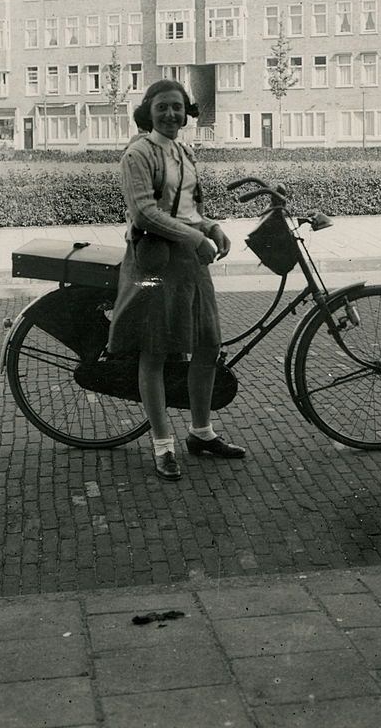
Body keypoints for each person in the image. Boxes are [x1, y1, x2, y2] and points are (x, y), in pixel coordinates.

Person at [107, 79, 245, 481]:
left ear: (187, 114)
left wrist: (212, 227)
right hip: (155, 261)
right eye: (163, 107)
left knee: (207, 343)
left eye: (178, 107)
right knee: (156, 351)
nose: (171, 114)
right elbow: (145, 214)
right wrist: (194, 236)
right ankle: (163, 444)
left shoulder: (183, 151)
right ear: (149, 110)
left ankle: (201, 433)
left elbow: (189, 208)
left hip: (190, 261)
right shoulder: (139, 153)